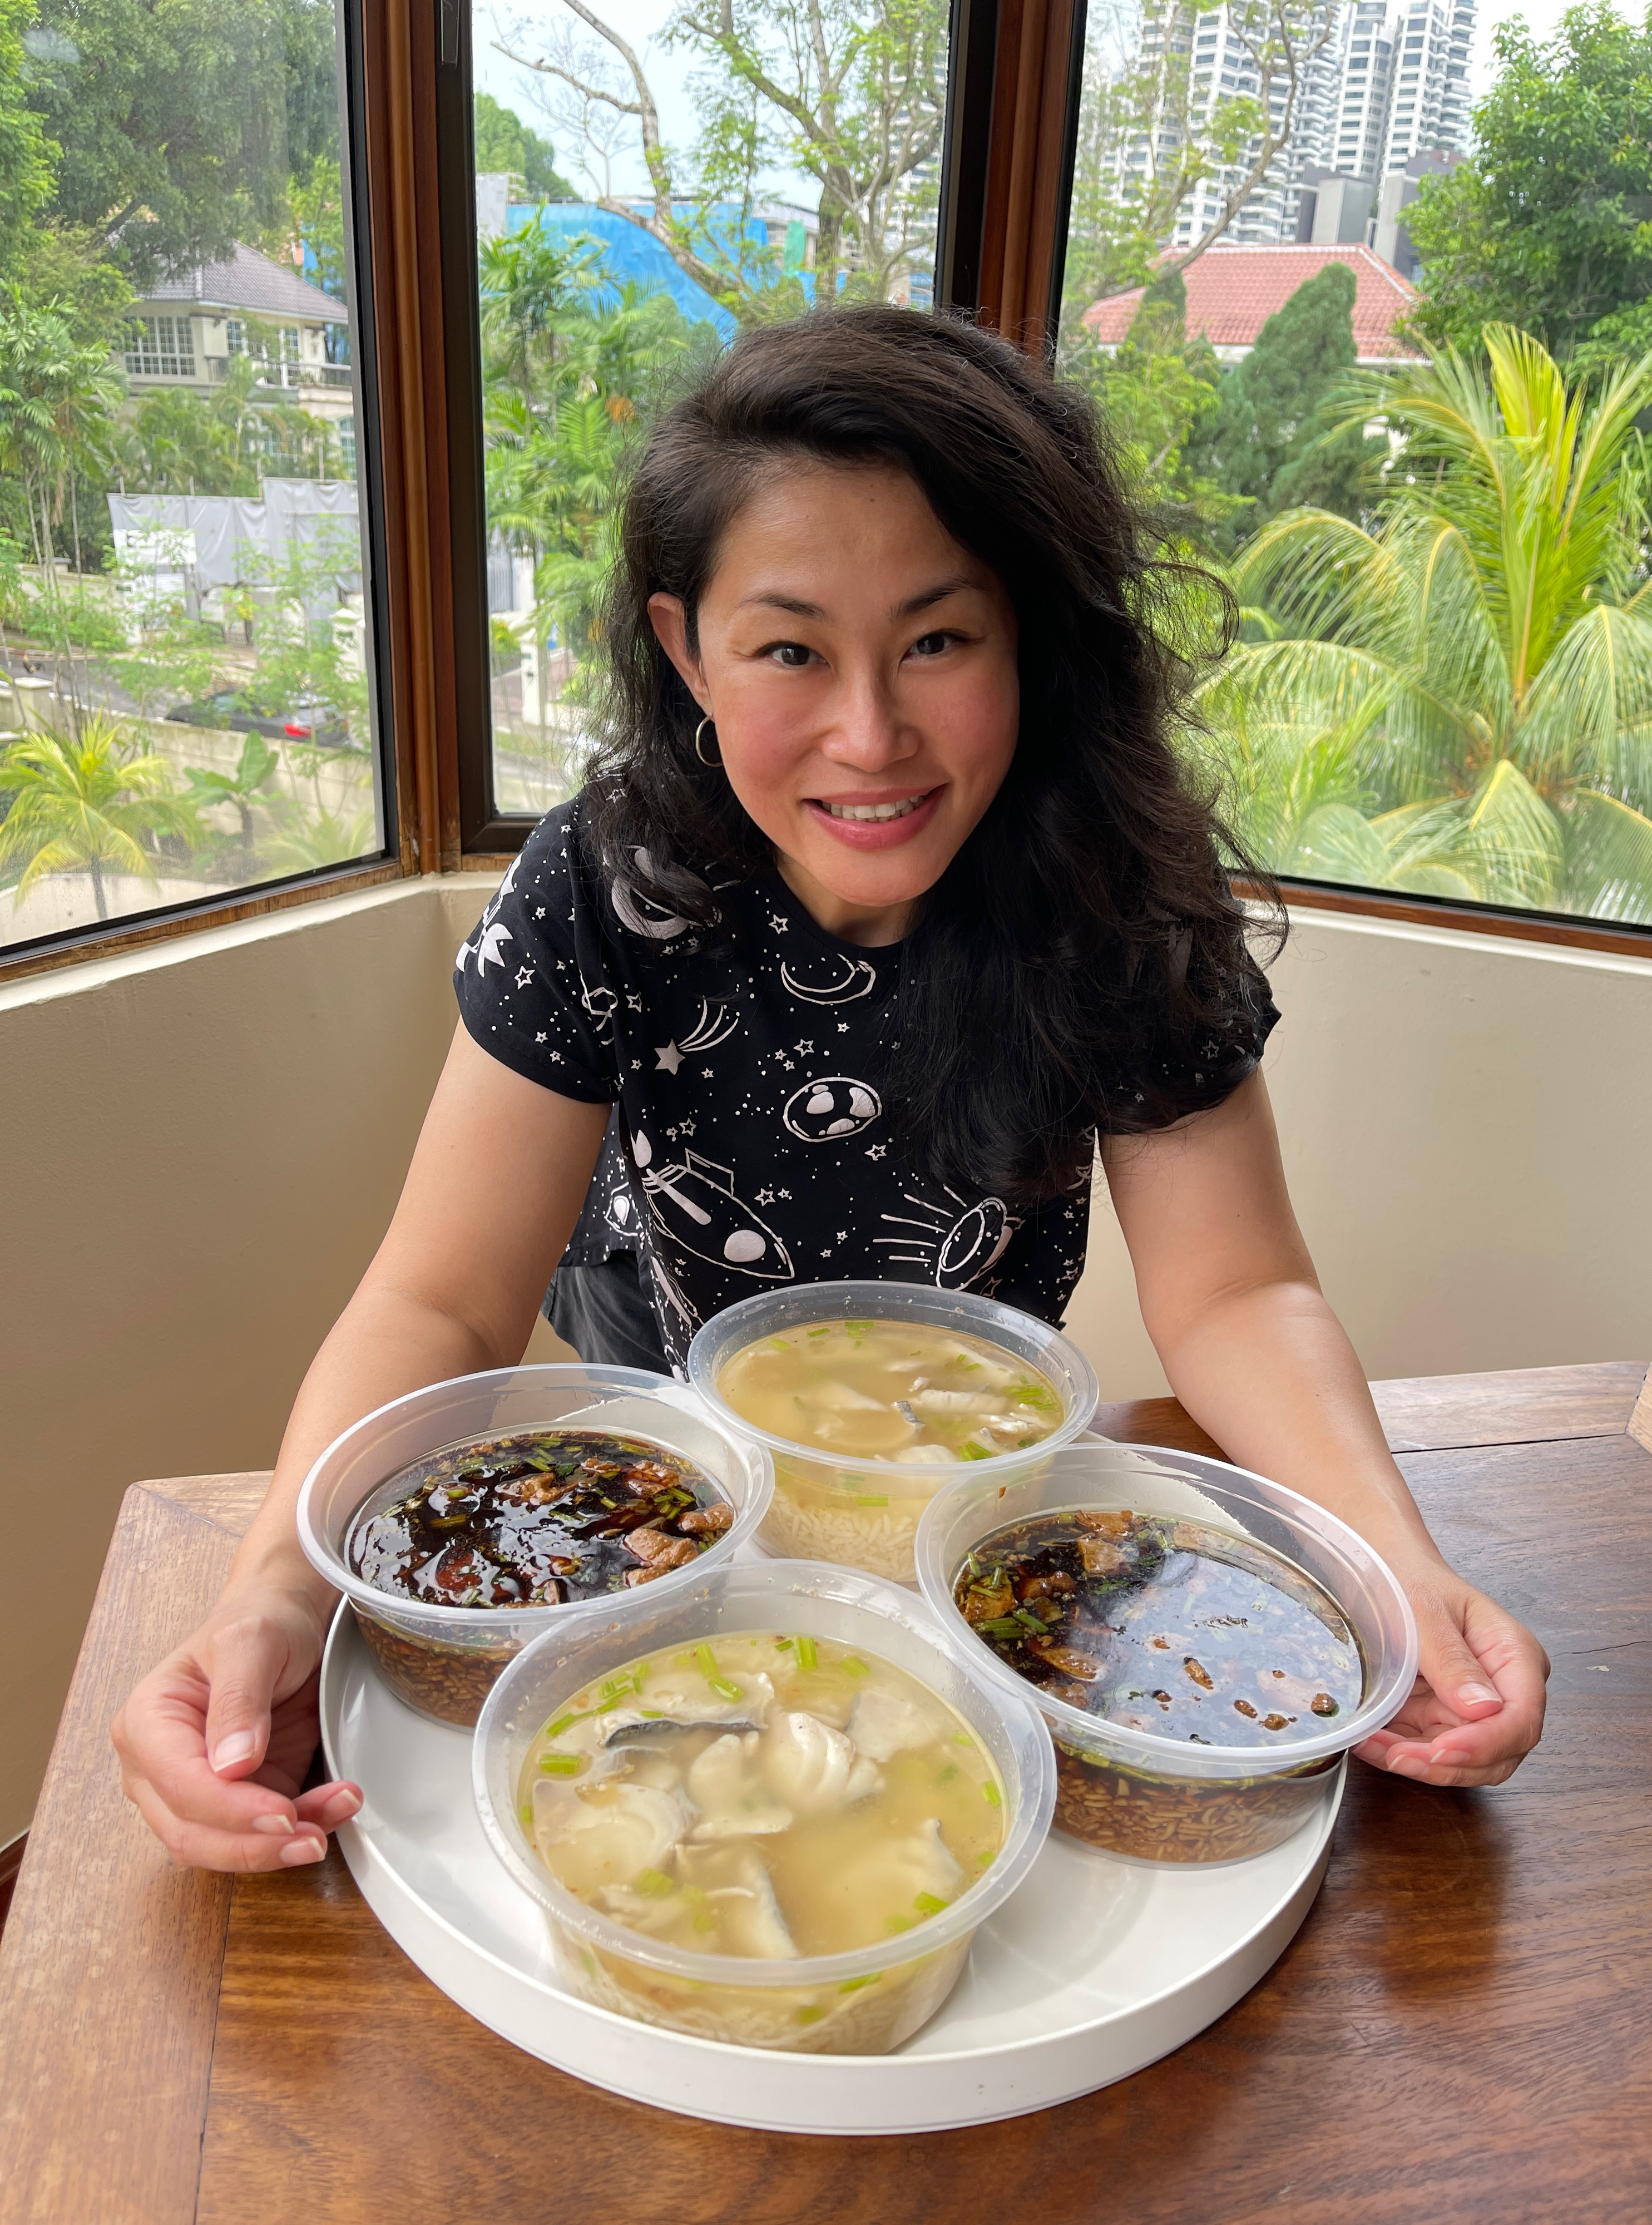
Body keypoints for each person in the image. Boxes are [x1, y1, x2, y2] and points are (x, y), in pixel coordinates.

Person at [113, 308, 1548, 1872]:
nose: (871, 737)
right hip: (659, 1370)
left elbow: (1242, 1297)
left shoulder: (1115, 890)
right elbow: (446, 1301)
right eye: (791, 649)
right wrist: (273, 1591)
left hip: (964, 1459)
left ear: (1029, 635)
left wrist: (1401, 1571)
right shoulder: (607, 875)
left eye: (939, 639)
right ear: (688, 647)